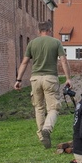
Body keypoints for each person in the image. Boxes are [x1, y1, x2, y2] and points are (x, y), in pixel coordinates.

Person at [14, 20, 72, 148]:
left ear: (39, 31)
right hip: (50, 78)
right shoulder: (56, 42)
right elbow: (63, 60)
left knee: (39, 107)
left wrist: (18, 80)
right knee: (54, 108)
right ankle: (47, 128)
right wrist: (68, 78)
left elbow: (24, 63)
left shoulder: (32, 43)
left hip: (35, 79)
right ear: (50, 30)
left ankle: (42, 137)